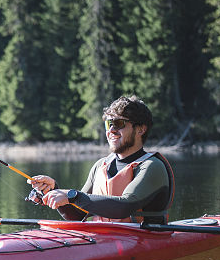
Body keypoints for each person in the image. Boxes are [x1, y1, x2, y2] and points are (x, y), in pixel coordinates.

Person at [27, 95, 174, 224]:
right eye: (108, 124)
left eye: (119, 124)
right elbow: (78, 214)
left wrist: (73, 196)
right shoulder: (100, 166)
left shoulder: (152, 166)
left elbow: (124, 207)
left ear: (141, 129)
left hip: (143, 244)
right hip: (107, 242)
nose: (111, 130)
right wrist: (55, 191)